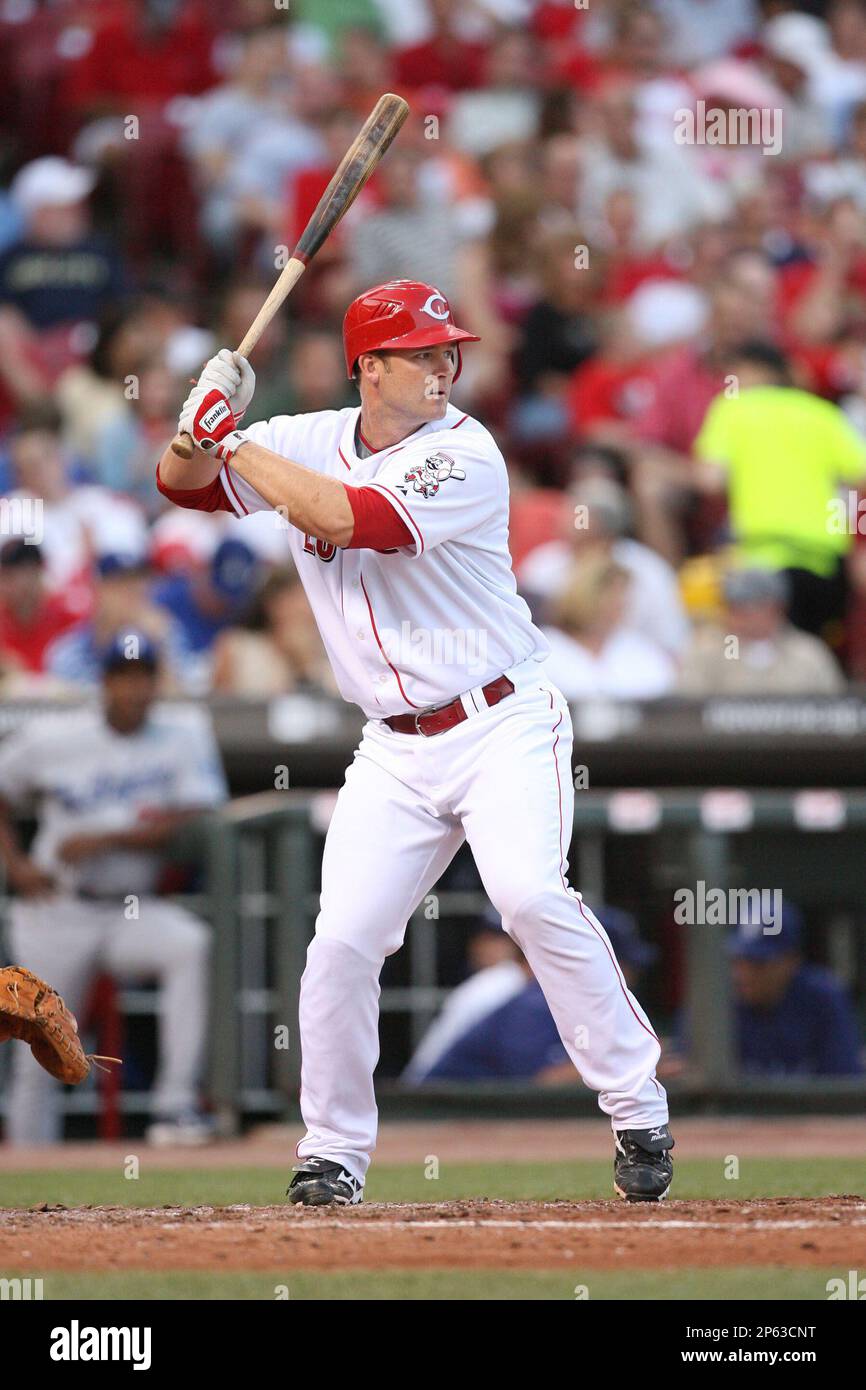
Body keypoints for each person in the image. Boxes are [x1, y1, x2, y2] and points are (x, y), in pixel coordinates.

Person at [157, 277, 674, 1205]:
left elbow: (349, 518)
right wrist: (193, 427)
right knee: (343, 944)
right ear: (370, 367)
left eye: (449, 349)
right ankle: (332, 1153)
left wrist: (227, 431)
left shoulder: (466, 452)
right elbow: (178, 485)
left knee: (527, 895)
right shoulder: (305, 437)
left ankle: (637, 1106)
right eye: (423, 352)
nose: (445, 364)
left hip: (501, 718)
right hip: (393, 747)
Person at [0, 635, 228, 1145]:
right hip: (57, 906)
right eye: (124, 676)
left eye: (145, 676)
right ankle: (27, 1166)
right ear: (104, 683)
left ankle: (174, 1108)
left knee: (190, 944)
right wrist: (15, 866)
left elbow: (200, 816)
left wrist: (109, 837)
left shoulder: (181, 735)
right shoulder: (55, 734)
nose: (136, 687)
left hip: (130, 909)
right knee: (41, 1043)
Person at [693, 341, 866, 644]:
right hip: (824, 558)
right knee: (812, 655)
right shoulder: (821, 412)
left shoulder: (732, 408)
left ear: (759, 371)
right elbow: (859, 477)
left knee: (763, 660)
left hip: (763, 557)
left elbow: (710, 479)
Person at [729, 909, 863, 1077]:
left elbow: (844, 1083)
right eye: (739, 962)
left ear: (792, 960)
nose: (744, 975)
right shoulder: (717, 1001)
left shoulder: (822, 998)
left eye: (759, 964)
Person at [678, 568, 845, 696]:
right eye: (733, 606)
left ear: (777, 608)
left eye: (749, 607)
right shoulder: (711, 650)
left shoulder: (807, 653)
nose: (739, 616)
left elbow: (835, 710)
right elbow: (688, 708)